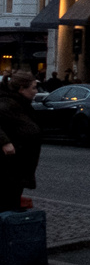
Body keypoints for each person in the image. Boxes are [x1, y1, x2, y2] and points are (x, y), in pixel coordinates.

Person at [0, 71, 42, 212]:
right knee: (7, 205)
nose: (36, 92)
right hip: (8, 167)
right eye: (33, 88)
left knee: (11, 203)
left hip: (17, 166)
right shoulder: (7, 103)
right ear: (21, 89)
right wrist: (5, 142)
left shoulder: (21, 103)